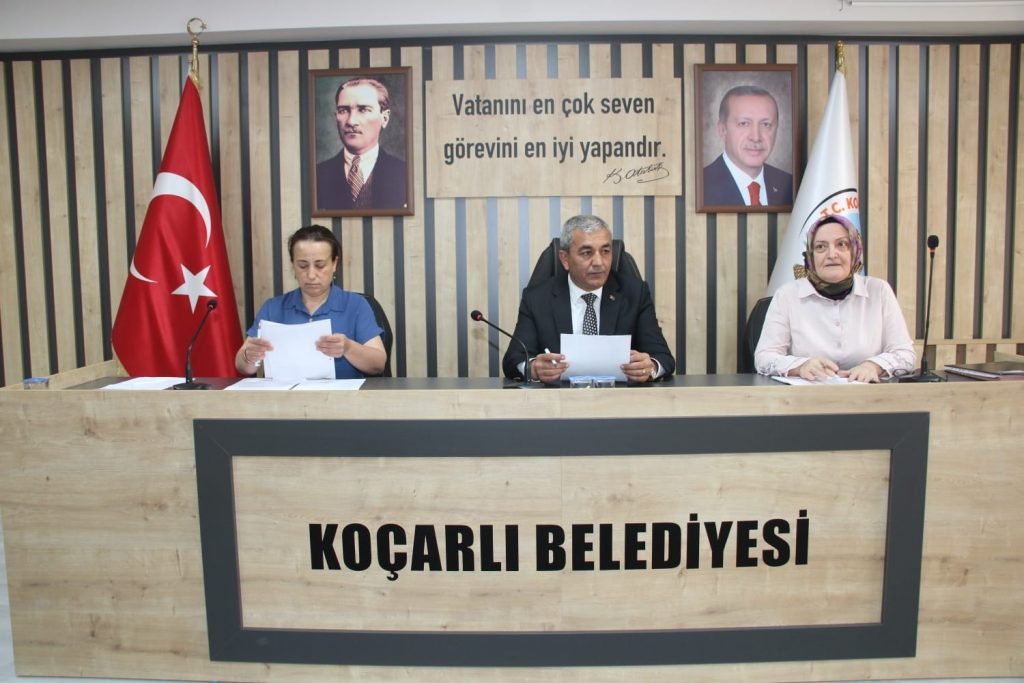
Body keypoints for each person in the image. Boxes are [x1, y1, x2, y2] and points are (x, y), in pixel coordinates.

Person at [501, 215, 675, 384]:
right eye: (586, 253)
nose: (599, 262)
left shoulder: (635, 294)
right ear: (565, 259)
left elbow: (663, 358)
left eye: (605, 251)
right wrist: (534, 368)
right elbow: (514, 360)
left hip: (619, 398)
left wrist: (650, 368)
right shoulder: (537, 298)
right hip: (557, 400)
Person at [754, 214, 915, 383]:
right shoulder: (787, 295)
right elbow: (764, 357)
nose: (832, 254)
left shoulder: (879, 291)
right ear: (810, 256)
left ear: (855, 251)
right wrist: (800, 366)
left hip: (868, 395)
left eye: (842, 244)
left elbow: (905, 353)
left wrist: (873, 366)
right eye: (821, 247)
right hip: (805, 396)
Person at [236, 225, 387, 378]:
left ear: (334, 264)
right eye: (303, 266)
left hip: (341, 393)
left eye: (320, 266)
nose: (311, 275)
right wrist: (249, 356)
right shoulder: (273, 308)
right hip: (284, 393)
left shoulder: (356, 305)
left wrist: (348, 348)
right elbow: (242, 366)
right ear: (293, 265)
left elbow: (378, 363)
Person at [315, 78, 407, 211]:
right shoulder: (317, 175)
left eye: (363, 110)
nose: (351, 121)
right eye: (343, 110)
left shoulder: (404, 174)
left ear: (384, 118)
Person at [702, 85, 793, 207]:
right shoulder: (700, 186)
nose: (756, 137)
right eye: (744, 124)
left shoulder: (791, 186)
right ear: (723, 130)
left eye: (766, 124)